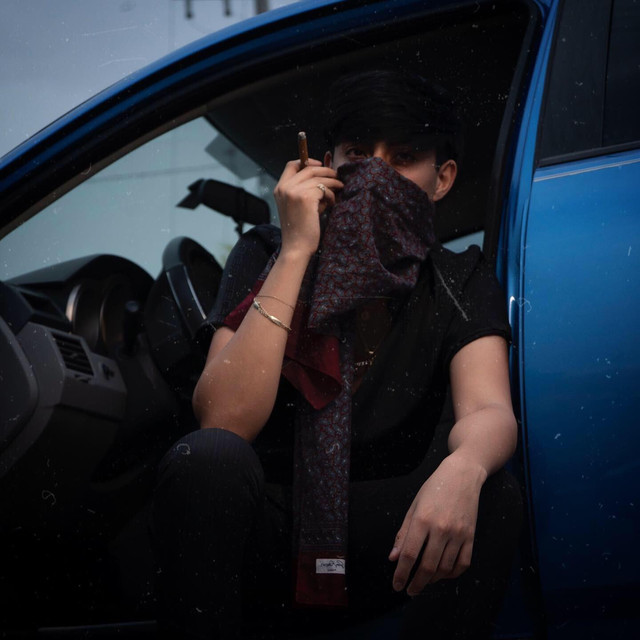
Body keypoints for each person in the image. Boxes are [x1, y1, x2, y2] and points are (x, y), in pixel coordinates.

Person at [152, 69, 522, 640]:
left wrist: (465, 468)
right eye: (358, 154)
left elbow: (489, 410)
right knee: (205, 459)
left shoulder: (457, 280)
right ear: (324, 166)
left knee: (493, 488)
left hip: (394, 546)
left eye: (403, 159)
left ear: (443, 178)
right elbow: (223, 420)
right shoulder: (264, 252)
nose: (375, 175)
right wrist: (297, 250)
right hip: (274, 537)